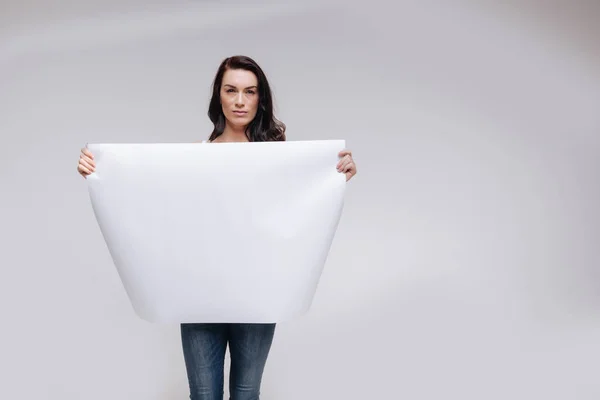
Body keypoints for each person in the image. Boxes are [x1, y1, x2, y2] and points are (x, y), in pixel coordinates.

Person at [77, 55, 357, 399]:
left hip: (257, 293)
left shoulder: (280, 159)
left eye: (250, 91)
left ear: (260, 98)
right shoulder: (194, 157)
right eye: (231, 90)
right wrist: (101, 170)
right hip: (198, 293)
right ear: (219, 96)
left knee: (246, 392)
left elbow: (300, 211)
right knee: (203, 394)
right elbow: (150, 194)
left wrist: (335, 173)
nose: (240, 101)